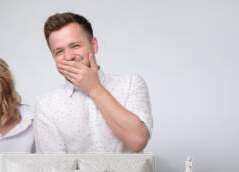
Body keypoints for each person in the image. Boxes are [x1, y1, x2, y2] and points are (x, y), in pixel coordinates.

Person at [35, 12, 153, 153]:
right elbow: (55, 169)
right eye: (59, 51)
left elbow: (138, 140)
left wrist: (94, 88)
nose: (69, 57)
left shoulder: (130, 84)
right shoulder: (46, 106)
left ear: (94, 45)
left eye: (75, 46)